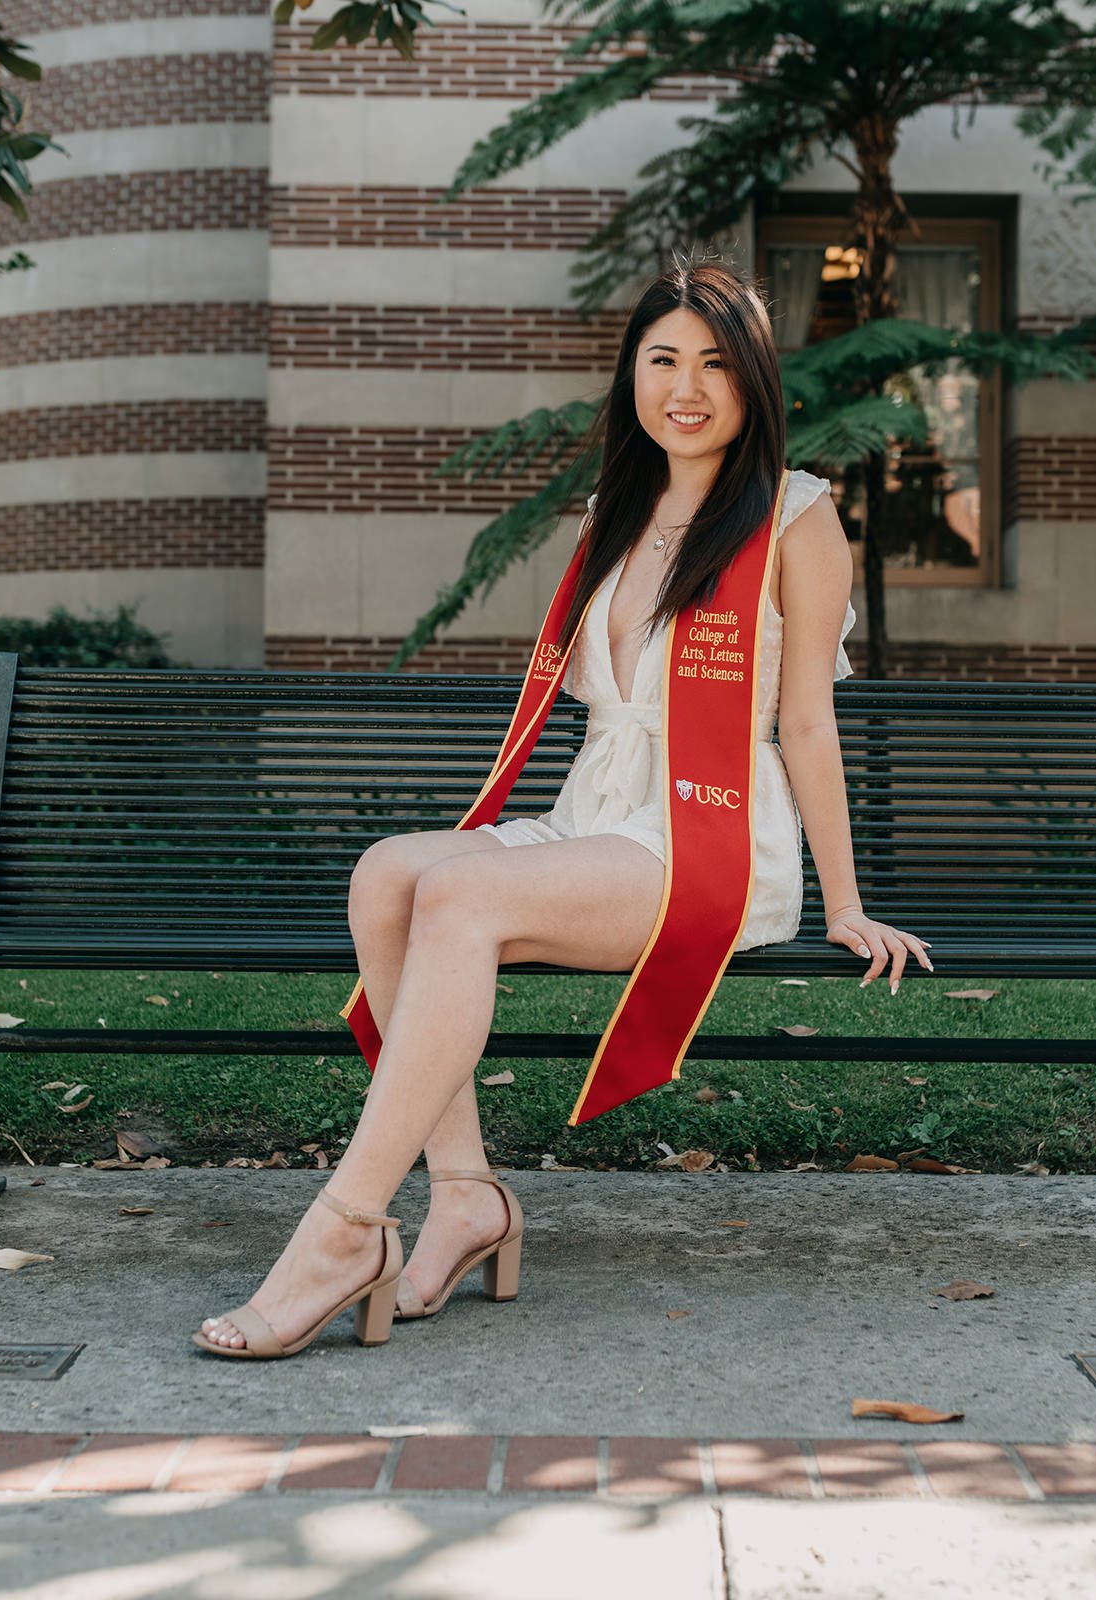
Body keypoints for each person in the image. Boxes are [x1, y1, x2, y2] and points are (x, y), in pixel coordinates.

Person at [195, 257, 931, 1360]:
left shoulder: (796, 516)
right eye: (664, 359)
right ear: (633, 373)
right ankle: (463, 1195)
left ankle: (343, 1230)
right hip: (597, 811)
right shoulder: (613, 512)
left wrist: (847, 901)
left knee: (456, 896)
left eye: (718, 363)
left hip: (708, 829)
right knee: (387, 875)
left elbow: (811, 724)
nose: (688, 387)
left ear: (756, 381)